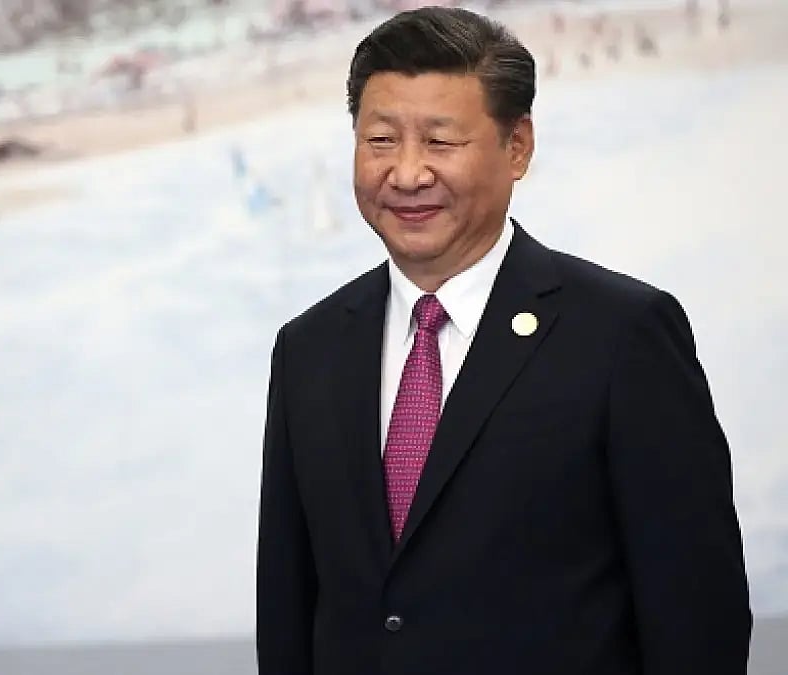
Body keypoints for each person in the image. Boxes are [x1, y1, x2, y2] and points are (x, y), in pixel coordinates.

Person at [255, 7, 750, 675]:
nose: (407, 173)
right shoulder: (309, 348)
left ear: (517, 146)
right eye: (380, 140)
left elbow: (698, 616)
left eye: (439, 141)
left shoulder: (621, 336)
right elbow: (288, 612)